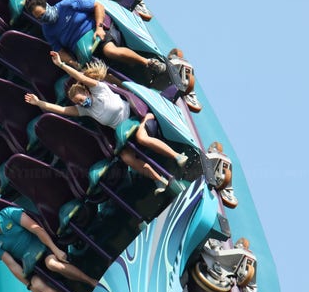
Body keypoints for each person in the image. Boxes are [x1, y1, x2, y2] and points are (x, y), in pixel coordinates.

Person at [25, 51, 188, 194]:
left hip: (139, 117)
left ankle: (177, 157)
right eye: (78, 103)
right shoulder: (85, 110)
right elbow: (61, 111)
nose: (82, 104)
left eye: (82, 99)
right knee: (126, 158)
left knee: (142, 138)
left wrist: (61, 65)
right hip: (125, 132)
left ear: (87, 91)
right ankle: (159, 179)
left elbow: (80, 77)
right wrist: (39, 103)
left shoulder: (99, 89)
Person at [0, 202, 98, 292]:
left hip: (43, 249)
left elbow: (36, 229)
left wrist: (56, 250)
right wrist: (29, 285)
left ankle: (91, 282)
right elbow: (12, 265)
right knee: (37, 285)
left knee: (52, 264)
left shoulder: (9, 213)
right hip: (30, 264)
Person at [25, 0, 166, 74]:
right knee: (94, 74)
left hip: (96, 32)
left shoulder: (70, 3)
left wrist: (99, 28)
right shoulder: (47, 30)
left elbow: (98, 5)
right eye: (39, 18)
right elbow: (59, 50)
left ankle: (148, 63)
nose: (43, 18)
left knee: (110, 51)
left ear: (47, 6)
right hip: (83, 51)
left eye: (43, 14)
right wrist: (74, 63)